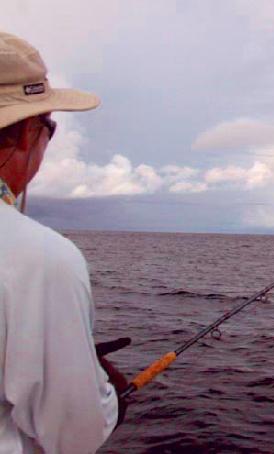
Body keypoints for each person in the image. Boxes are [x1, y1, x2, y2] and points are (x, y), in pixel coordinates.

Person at [0, 31, 128, 453]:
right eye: (47, 126)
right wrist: (105, 392)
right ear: (22, 134)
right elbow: (76, 434)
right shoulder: (40, 258)